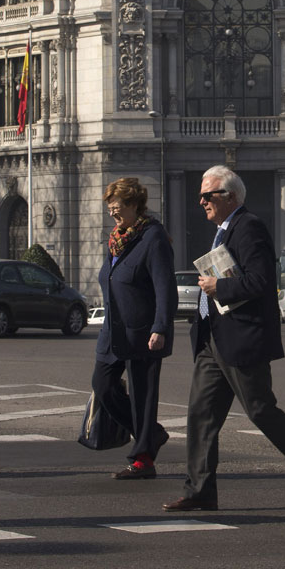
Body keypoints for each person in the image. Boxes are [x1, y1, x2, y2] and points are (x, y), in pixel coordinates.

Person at [163, 165, 285, 511]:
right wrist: (200, 323)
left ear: (229, 196)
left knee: (261, 411)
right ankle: (200, 490)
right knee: (201, 415)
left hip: (241, 338)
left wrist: (219, 286)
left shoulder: (249, 227)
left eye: (207, 195)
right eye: (200, 196)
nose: (201, 202)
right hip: (215, 339)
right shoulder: (223, 231)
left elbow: (260, 282)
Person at [94, 177, 175, 479]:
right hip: (113, 330)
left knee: (143, 396)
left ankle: (143, 459)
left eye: (117, 209)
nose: (113, 214)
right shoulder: (118, 238)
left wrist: (161, 327)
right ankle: (150, 434)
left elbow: (165, 287)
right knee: (102, 385)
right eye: (110, 210)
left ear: (134, 205)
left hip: (143, 331)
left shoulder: (152, 237)